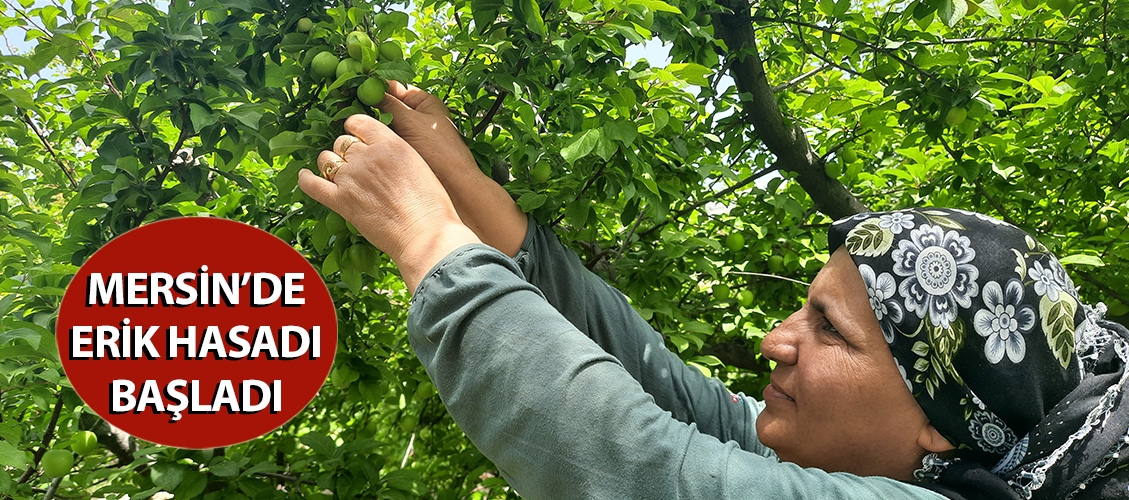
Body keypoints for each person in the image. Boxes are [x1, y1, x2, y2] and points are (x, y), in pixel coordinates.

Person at [297, 82, 1129, 499]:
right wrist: (470, 191)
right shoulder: (962, 466)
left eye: (830, 330)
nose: (775, 339)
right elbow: (665, 385)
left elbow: (639, 465)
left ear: (941, 425)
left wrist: (428, 241)